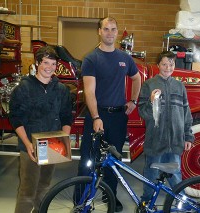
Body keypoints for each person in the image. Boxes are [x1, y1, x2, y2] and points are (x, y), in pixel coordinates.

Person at [77, 16, 141, 212]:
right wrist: (96, 117)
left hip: (118, 117)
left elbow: (137, 78)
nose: (110, 33)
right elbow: (89, 91)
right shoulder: (91, 58)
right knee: (89, 159)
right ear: (99, 31)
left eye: (113, 29)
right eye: (106, 29)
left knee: (114, 160)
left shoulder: (124, 58)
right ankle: (81, 200)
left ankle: (110, 196)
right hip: (97, 115)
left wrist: (133, 101)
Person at [9, 46, 73, 213]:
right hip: (29, 146)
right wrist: (28, 144)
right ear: (37, 63)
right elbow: (16, 119)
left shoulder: (61, 90)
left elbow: (66, 116)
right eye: (45, 62)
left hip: (52, 145)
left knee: (44, 187)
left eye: (53, 63)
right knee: (27, 191)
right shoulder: (24, 88)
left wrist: (63, 140)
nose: (49, 67)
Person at [138, 50, 194, 202]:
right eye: (164, 64)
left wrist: (188, 136)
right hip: (155, 140)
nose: (168, 67)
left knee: (175, 174)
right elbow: (143, 112)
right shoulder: (148, 85)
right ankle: (147, 202)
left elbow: (186, 112)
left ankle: (182, 203)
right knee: (151, 174)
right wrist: (150, 101)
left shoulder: (179, 86)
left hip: (175, 141)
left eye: (171, 64)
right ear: (158, 65)